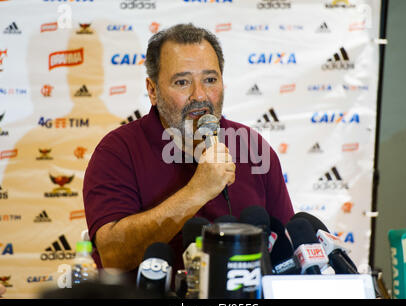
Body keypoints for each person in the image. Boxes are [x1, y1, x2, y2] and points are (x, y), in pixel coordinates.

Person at [83, 23, 294, 279]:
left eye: (210, 80)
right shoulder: (117, 151)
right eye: (182, 82)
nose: (200, 95)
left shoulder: (253, 146)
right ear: (152, 90)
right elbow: (113, 256)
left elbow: (288, 253)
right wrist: (197, 191)